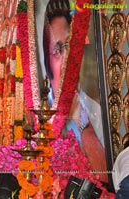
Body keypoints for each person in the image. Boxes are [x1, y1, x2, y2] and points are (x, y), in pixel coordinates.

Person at [42, 0, 107, 181]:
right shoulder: (35, 111)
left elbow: (108, 181)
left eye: (69, 46)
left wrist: (81, 122)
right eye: (56, 50)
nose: (65, 58)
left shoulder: (92, 109)